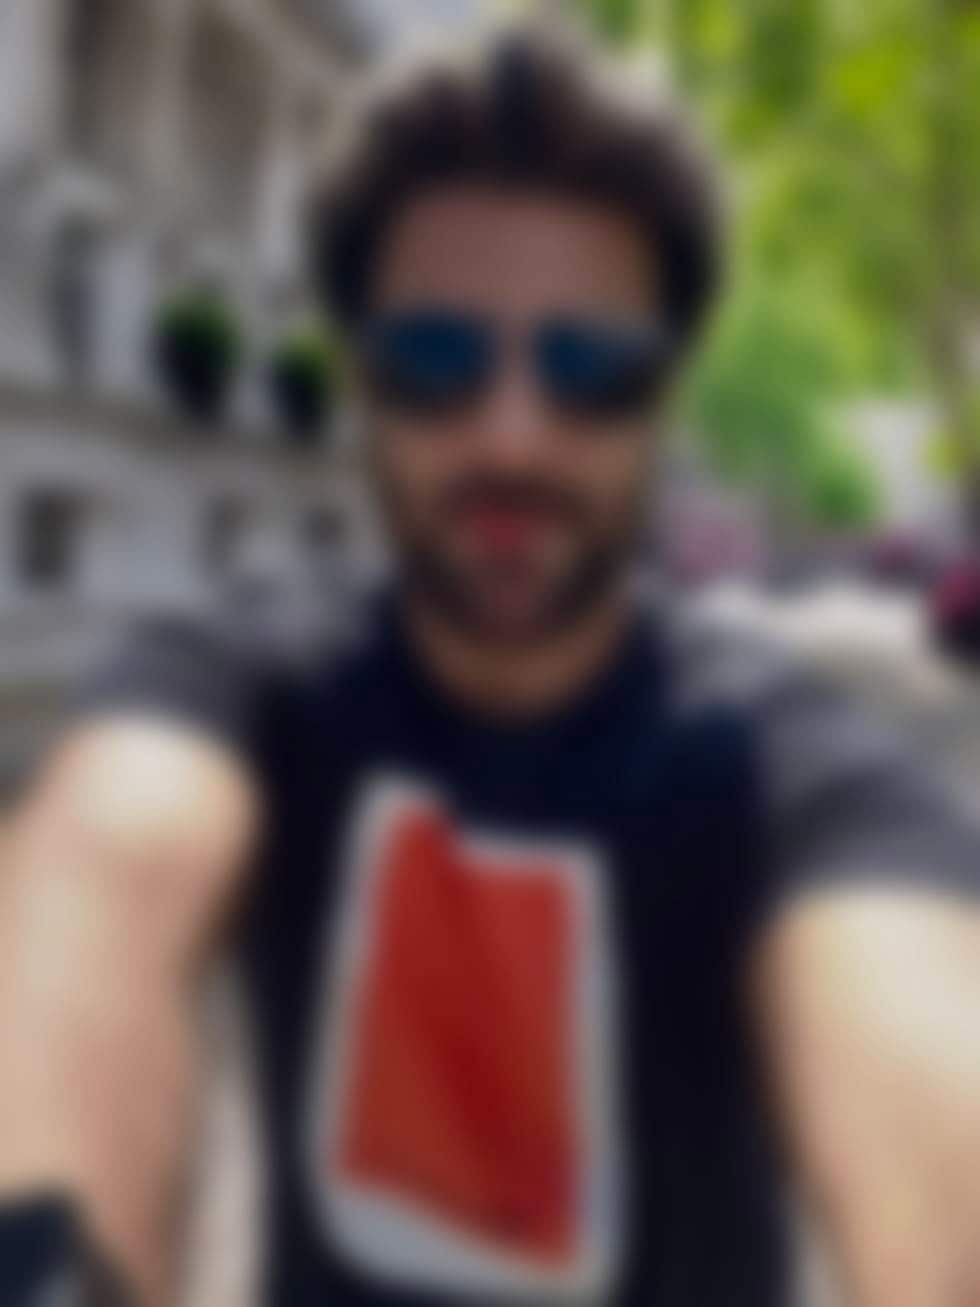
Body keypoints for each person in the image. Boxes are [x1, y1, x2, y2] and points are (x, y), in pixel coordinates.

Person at [1, 21, 979, 1307]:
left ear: (662, 402)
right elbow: (88, 896)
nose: (511, 436)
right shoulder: (232, 672)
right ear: (361, 383)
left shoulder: (793, 764)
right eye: (434, 360)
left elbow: (914, 1012)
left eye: (592, 369)